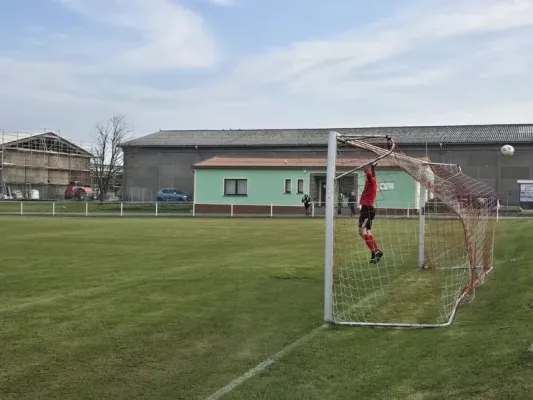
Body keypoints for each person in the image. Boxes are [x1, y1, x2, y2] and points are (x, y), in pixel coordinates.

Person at [359, 163, 383, 264]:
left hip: (366, 210)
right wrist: (371, 168)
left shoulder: (372, 181)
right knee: (368, 232)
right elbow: (369, 175)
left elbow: (369, 175)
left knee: (361, 232)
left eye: (366, 174)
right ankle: (377, 251)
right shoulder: (371, 182)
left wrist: (368, 168)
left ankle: (374, 252)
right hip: (368, 210)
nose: (365, 175)